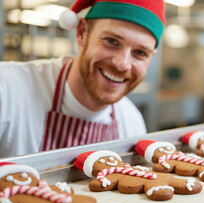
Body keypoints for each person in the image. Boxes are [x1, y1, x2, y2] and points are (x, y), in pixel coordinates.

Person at [0, 0, 165, 158]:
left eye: (140, 53)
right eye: (111, 41)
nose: (122, 64)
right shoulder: (7, 89)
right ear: (82, 33)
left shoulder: (131, 123)